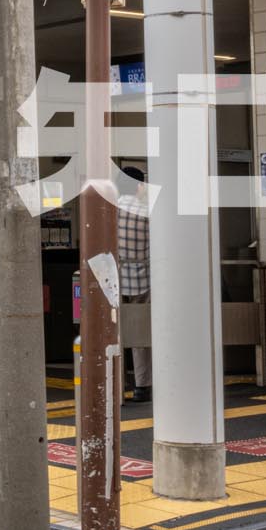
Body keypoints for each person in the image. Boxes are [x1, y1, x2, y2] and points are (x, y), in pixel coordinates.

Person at [115, 168, 153, 402]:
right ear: (139, 186)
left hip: (115, 280)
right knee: (141, 335)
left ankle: (115, 382)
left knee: (114, 332)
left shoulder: (109, 210)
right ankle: (142, 385)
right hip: (143, 279)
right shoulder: (148, 212)